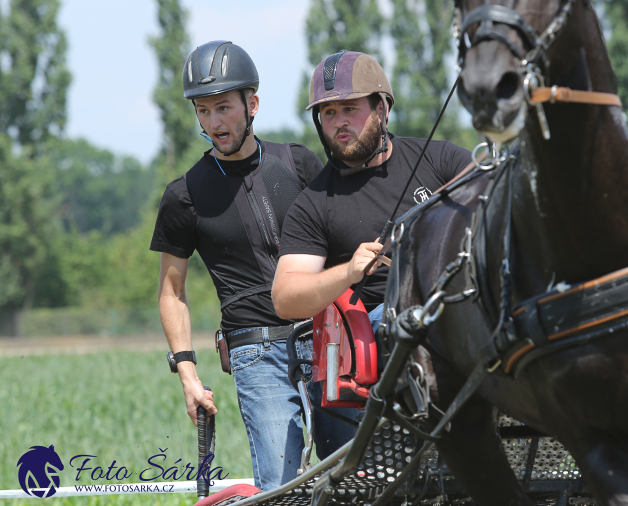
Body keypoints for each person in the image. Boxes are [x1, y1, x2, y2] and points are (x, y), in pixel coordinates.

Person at [150, 40, 351, 491]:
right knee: (281, 489)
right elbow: (172, 292)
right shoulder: (184, 195)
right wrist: (187, 373)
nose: (214, 122)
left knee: (356, 478)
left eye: (223, 107)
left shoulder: (299, 162)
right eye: (203, 111)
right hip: (254, 352)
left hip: (327, 340)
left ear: (252, 103)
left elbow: (339, 249)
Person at [271, 50, 471, 340]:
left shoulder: (441, 160)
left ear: (381, 109)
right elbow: (285, 298)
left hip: (463, 298)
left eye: (350, 109)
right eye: (329, 113)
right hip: (386, 331)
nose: (339, 122)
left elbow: (499, 201)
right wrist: (349, 272)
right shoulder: (314, 203)